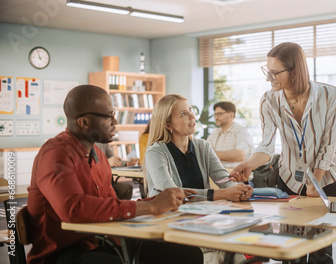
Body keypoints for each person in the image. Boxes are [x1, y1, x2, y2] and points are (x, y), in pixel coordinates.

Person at [26, 85, 203, 264]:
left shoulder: (99, 156)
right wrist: (151, 207)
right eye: (109, 116)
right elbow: (73, 209)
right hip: (62, 255)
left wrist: (158, 201)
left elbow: (113, 205)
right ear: (84, 123)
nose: (115, 122)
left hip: (101, 243)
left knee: (186, 253)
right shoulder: (56, 154)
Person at [230, 42, 336, 264]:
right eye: (267, 71)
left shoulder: (330, 95)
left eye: (274, 73)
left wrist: (315, 182)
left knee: (321, 247)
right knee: (290, 246)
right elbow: (267, 146)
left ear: (294, 71)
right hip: (290, 178)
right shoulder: (269, 100)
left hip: (327, 178)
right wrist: (250, 164)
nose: (268, 78)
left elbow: (329, 144)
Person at [144, 94, 253, 202]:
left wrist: (238, 190)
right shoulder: (155, 152)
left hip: (200, 214)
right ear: (168, 125)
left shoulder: (203, 147)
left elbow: (223, 179)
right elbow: (172, 193)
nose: (192, 116)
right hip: (167, 216)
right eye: (183, 114)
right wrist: (220, 194)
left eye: (190, 109)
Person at [206, 101, 254, 168]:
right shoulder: (214, 134)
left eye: (220, 114)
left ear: (231, 115)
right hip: (218, 174)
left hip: (237, 174)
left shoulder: (241, 131)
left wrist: (213, 154)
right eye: (215, 114)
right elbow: (206, 154)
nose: (216, 117)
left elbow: (240, 156)